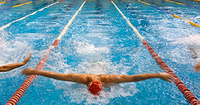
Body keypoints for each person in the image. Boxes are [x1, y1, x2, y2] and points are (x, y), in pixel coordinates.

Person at [21, 68, 173, 95]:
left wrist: (158, 74)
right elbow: (57, 75)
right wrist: (35, 72)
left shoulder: (110, 80)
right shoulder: (82, 78)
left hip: (104, 74)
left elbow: (134, 78)